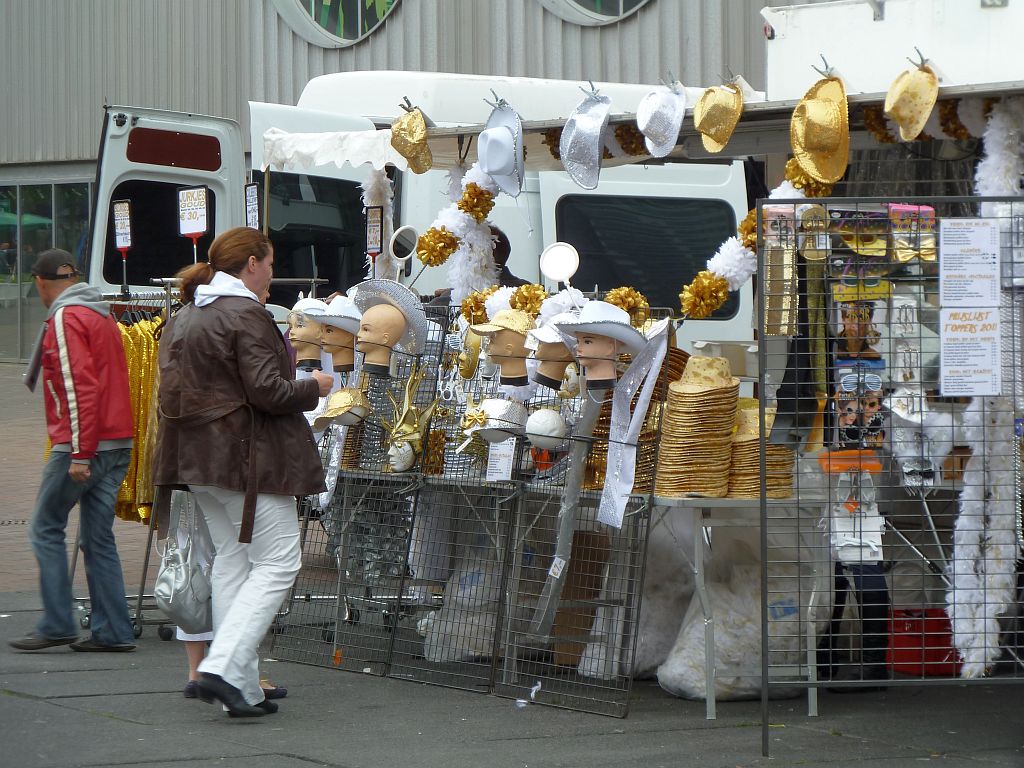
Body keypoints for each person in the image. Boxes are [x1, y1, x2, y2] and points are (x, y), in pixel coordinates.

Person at [153, 227, 332, 718]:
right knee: (278, 563)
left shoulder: (188, 313)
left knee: (234, 561)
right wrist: (314, 384)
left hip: (196, 460)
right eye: (270, 263)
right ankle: (225, 668)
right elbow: (269, 393)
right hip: (242, 460)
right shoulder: (244, 313)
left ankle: (243, 687)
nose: (272, 274)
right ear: (251, 263)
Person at [9, 249, 137, 653]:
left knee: (45, 526)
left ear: (40, 282)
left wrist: (80, 452)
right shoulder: (99, 312)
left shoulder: (66, 317)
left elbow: (79, 386)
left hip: (85, 444)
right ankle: (113, 629)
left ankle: (58, 622)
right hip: (117, 440)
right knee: (98, 538)